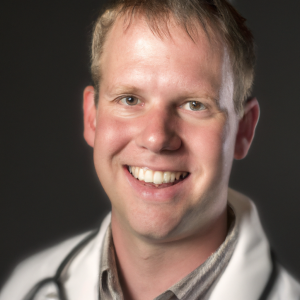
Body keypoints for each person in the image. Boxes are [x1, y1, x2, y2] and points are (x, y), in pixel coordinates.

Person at [1, 0, 300, 299]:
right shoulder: (22, 287)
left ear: (243, 130)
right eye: (130, 99)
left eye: (195, 105)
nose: (156, 138)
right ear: (92, 118)